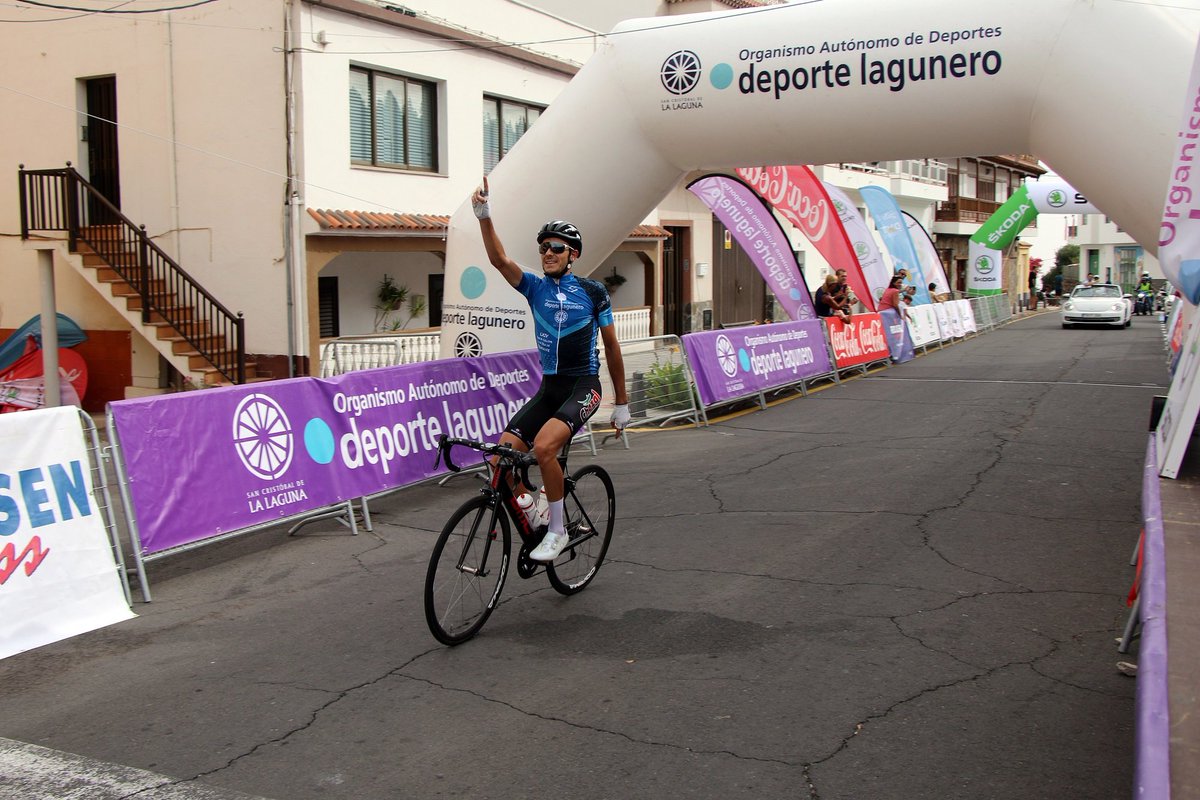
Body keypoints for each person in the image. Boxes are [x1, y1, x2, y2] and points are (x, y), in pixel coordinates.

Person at [471, 177, 629, 562]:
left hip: (584, 387)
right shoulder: (535, 288)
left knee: (543, 447)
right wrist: (484, 215)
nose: (548, 253)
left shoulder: (592, 292)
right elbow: (499, 260)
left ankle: (557, 531)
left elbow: (611, 347)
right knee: (499, 461)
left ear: (573, 254)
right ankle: (532, 507)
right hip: (550, 388)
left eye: (557, 247)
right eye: (544, 247)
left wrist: (622, 403)